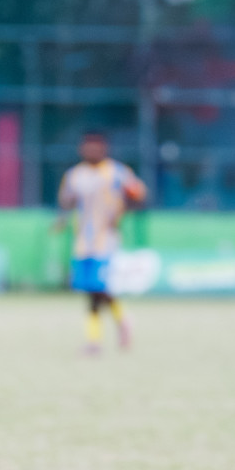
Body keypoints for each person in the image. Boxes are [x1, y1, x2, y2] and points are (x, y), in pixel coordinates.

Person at [56, 132, 146, 354]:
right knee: (91, 291)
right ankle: (117, 322)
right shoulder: (75, 175)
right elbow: (67, 200)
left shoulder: (118, 172)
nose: (91, 151)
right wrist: (62, 216)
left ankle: (98, 338)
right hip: (83, 241)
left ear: (104, 149)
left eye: (96, 147)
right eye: (88, 147)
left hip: (106, 239)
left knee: (99, 288)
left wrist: (124, 207)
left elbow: (138, 195)